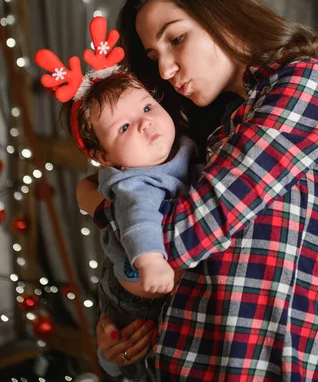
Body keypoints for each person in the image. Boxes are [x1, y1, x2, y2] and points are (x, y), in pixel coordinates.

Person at [78, 0, 318, 381]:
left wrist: (95, 202)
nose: (165, 68)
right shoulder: (226, 121)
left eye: (176, 39)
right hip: (180, 359)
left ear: (226, 16)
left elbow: (179, 239)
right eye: (153, 53)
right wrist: (125, 328)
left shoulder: (309, 86)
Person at [35, 19, 197, 381]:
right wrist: (152, 262)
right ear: (105, 158)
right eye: (123, 128)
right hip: (136, 291)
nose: (144, 124)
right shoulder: (135, 184)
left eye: (146, 108)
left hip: (156, 287)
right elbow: (139, 220)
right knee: (136, 352)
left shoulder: (181, 147)